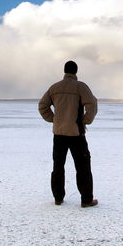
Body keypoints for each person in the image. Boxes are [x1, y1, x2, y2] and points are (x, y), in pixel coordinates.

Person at [38, 60, 99, 207]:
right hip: (76, 133)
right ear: (75, 71)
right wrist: (84, 121)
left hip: (59, 134)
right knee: (83, 166)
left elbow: (42, 106)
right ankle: (86, 200)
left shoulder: (54, 87)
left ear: (64, 71)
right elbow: (92, 105)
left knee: (58, 166)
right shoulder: (80, 87)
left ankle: (58, 198)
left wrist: (55, 120)